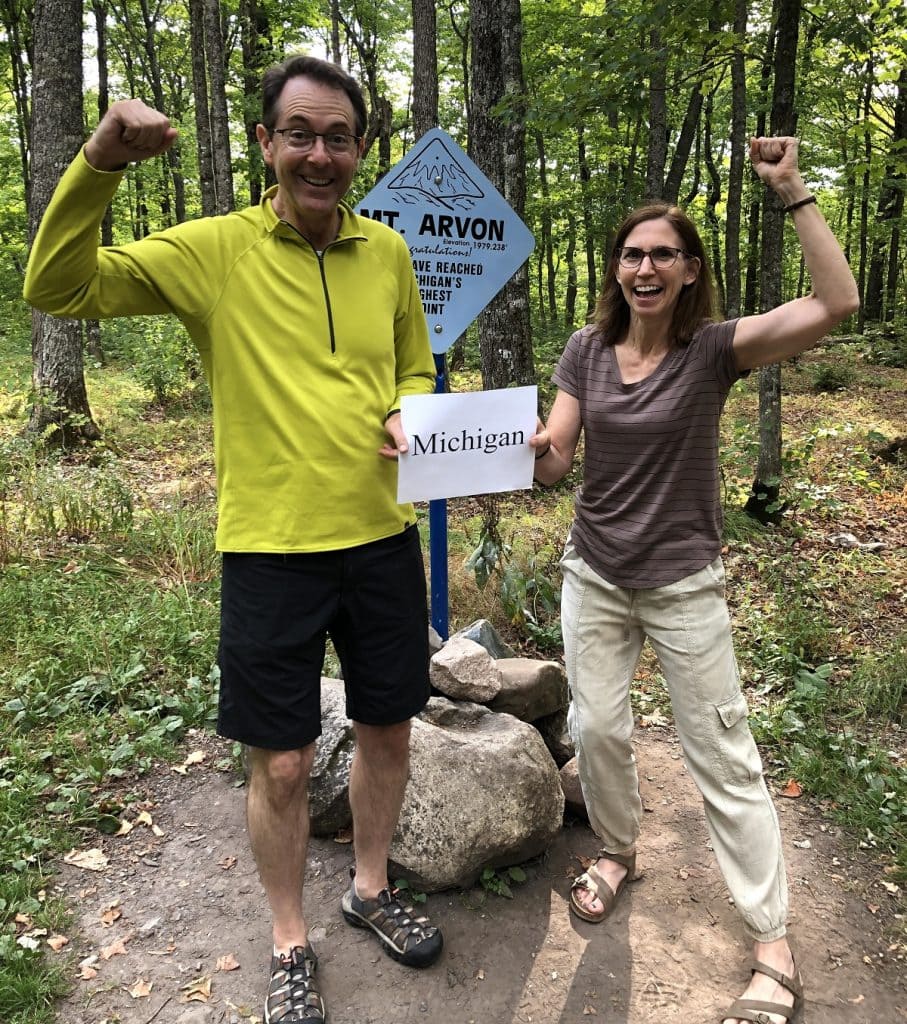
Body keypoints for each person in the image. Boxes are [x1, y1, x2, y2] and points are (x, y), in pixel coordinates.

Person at [24, 54, 443, 1024]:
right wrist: (99, 161)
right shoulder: (215, 251)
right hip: (268, 550)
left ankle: (370, 886)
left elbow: (416, 363)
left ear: (359, 149)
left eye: (338, 137)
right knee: (285, 762)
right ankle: (289, 936)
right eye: (299, 132)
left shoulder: (386, 252)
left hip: (382, 539)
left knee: (387, 727)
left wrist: (412, 410)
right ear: (265, 142)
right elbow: (59, 282)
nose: (319, 153)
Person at [530, 137, 859, 1024]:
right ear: (615, 268)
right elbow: (556, 465)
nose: (643, 267)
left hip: (682, 581)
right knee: (596, 728)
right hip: (595, 574)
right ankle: (617, 849)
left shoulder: (713, 350)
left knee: (722, 757)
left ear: (687, 271)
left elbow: (838, 302)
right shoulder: (585, 352)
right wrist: (525, 451)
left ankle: (771, 941)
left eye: (661, 254)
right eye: (632, 253)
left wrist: (790, 190)